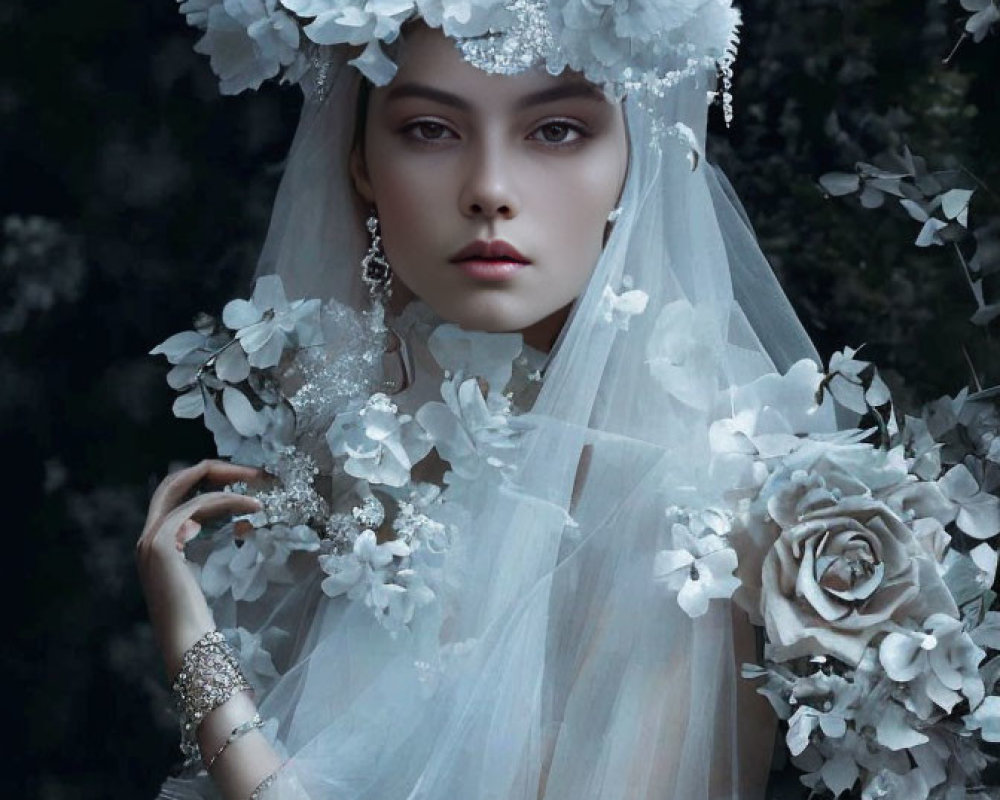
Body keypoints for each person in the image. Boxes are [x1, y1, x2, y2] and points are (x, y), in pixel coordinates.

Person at [139, 1, 825, 798]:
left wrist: (193, 648)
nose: (490, 190)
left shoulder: (677, 506)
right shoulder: (361, 452)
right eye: (430, 129)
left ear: (635, 162)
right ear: (359, 160)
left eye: (557, 130)